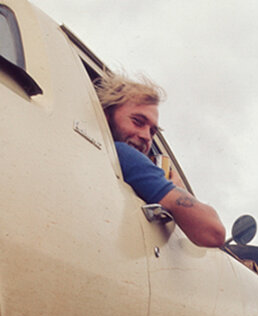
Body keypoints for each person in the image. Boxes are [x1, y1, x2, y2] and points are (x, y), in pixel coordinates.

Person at [95, 72, 226, 247]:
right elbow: (214, 232)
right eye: (137, 121)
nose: (146, 137)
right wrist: (178, 190)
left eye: (152, 132)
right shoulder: (124, 153)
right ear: (106, 115)